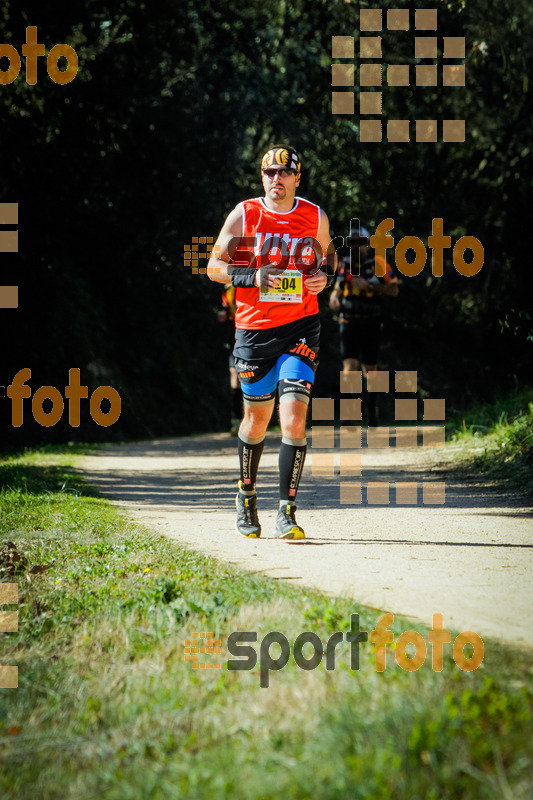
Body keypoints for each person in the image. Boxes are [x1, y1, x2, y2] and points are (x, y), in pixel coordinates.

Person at [207, 144, 336, 539]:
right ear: (261, 178)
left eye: (283, 173)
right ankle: (246, 497)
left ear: (298, 177)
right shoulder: (246, 214)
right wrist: (251, 277)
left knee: (294, 417)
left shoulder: (313, 215)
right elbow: (214, 267)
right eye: (269, 173)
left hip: (300, 327)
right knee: (256, 420)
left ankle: (287, 511)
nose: (275, 179)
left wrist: (323, 277)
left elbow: (327, 257)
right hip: (253, 330)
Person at [329, 225, 399, 426]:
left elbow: (394, 289)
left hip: (371, 322)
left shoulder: (378, 263)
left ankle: (372, 411)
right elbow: (337, 288)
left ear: (368, 245)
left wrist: (370, 286)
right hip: (348, 321)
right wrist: (334, 298)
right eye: (352, 242)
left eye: (361, 242)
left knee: (371, 369)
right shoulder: (344, 265)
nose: (356, 246)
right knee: (349, 366)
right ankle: (350, 415)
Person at [217, 283, 243, 435]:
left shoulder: (255, 278)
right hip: (235, 340)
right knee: (235, 376)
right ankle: (236, 420)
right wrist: (222, 314)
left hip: (255, 334)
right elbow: (223, 310)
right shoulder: (227, 290)